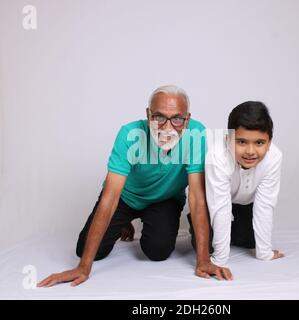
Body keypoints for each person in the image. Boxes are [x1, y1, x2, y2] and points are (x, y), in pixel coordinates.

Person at [38, 85, 232, 288]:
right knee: (86, 251)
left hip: (164, 200)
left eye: (177, 119)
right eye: (159, 117)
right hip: (126, 197)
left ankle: (150, 220)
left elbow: (197, 198)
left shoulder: (197, 134)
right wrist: (83, 267)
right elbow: (109, 198)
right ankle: (123, 221)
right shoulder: (129, 134)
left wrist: (203, 261)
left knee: (157, 252)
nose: (167, 127)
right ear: (148, 115)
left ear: (187, 119)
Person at [205, 101, 285, 269]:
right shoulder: (217, 155)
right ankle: (204, 228)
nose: (250, 151)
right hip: (215, 202)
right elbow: (220, 207)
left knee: (249, 242)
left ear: (269, 142)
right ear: (228, 140)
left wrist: (265, 253)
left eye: (259, 143)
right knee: (207, 246)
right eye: (241, 142)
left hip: (246, 203)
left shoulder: (274, 157)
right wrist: (219, 260)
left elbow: (265, 205)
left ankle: (236, 230)